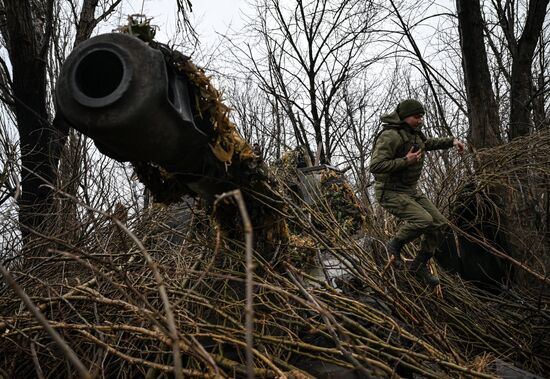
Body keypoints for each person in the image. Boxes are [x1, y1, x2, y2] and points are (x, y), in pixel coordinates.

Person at [369, 99, 465, 286]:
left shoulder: (413, 134)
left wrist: (452, 141)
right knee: (423, 220)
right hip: (389, 192)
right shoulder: (390, 136)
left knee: (439, 224)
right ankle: (394, 245)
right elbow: (376, 166)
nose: (420, 120)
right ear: (405, 117)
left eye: (422, 117)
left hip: (410, 190)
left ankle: (418, 265)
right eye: (416, 117)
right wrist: (406, 160)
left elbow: (427, 143)